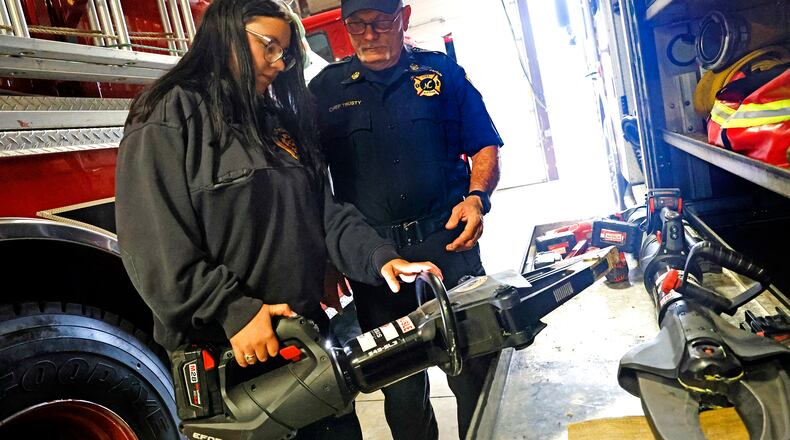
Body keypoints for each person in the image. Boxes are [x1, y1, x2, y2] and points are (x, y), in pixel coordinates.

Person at [115, 0, 440, 438]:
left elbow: (323, 212)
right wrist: (234, 312)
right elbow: (154, 244)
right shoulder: (170, 115)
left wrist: (381, 257)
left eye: (284, 52)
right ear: (225, 35)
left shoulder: (274, 123)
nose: (278, 62)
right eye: (268, 46)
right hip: (231, 352)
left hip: (303, 339)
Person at [309, 0, 503, 438]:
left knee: (474, 371)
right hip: (379, 267)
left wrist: (476, 199)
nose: (368, 34)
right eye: (356, 24)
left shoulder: (442, 75)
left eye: (380, 23)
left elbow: (485, 145)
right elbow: (311, 183)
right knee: (400, 390)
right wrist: (327, 257)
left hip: (449, 246)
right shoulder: (324, 91)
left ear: (405, 17)